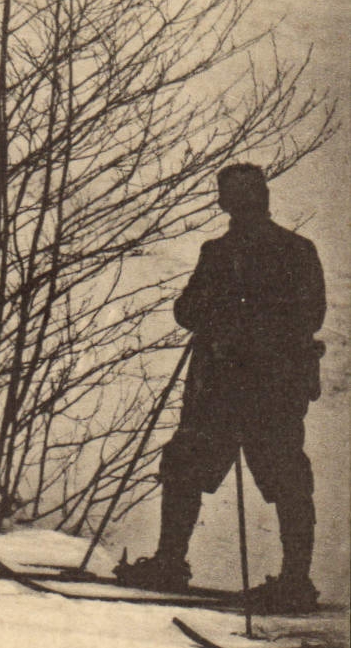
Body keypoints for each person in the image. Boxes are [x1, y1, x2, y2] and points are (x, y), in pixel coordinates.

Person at [114, 164, 326, 613]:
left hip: (269, 390)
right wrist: (217, 314)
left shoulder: (293, 251)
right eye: (235, 196)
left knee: (285, 478)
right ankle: (172, 562)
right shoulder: (219, 252)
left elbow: (309, 316)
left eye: (248, 196)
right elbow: (187, 310)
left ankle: (293, 582)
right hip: (221, 390)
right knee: (186, 465)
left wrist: (250, 330)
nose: (241, 205)